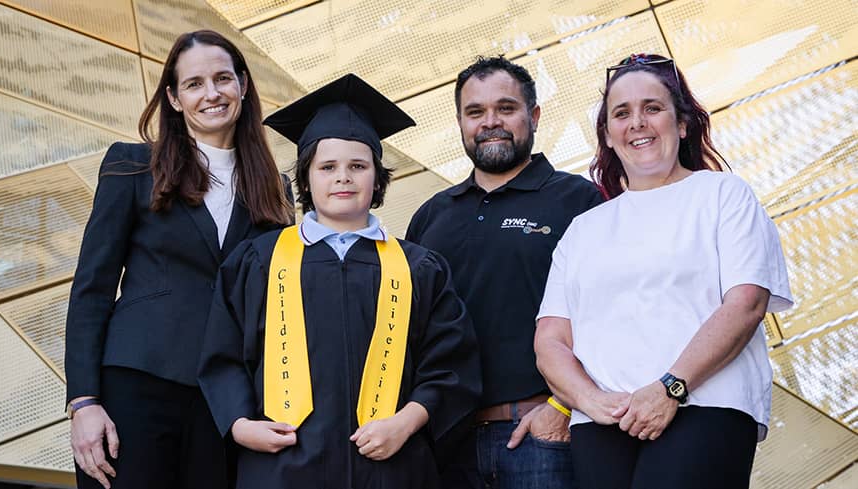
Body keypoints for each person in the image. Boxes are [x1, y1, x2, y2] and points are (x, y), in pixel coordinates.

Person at [197, 73, 481, 489]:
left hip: (391, 467)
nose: (343, 177)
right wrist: (241, 426)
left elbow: (451, 366)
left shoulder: (419, 268)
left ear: (378, 178)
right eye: (327, 166)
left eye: (358, 166)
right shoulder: (258, 261)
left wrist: (406, 422)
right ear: (306, 178)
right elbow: (222, 355)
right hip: (283, 467)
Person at [534, 53, 794, 489]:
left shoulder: (723, 195)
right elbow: (551, 341)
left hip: (706, 405)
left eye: (652, 108)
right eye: (622, 113)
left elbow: (747, 303)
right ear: (608, 135)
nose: (637, 122)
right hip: (601, 422)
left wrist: (671, 387)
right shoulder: (583, 229)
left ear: (683, 123)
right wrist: (589, 400)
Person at [64, 30, 295, 489]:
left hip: (225, 402)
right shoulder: (131, 166)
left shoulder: (277, 191)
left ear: (243, 86)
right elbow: (92, 287)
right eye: (194, 84)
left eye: (223, 79)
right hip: (135, 388)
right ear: (172, 97)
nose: (212, 94)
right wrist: (83, 402)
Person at [405, 56, 603, 488]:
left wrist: (564, 408)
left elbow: (614, 316)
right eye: (475, 112)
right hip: (446, 447)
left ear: (533, 116)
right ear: (460, 122)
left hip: (545, 439)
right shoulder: (430, 218)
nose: (490, 122)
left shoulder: (580, 202)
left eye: (506, 108)